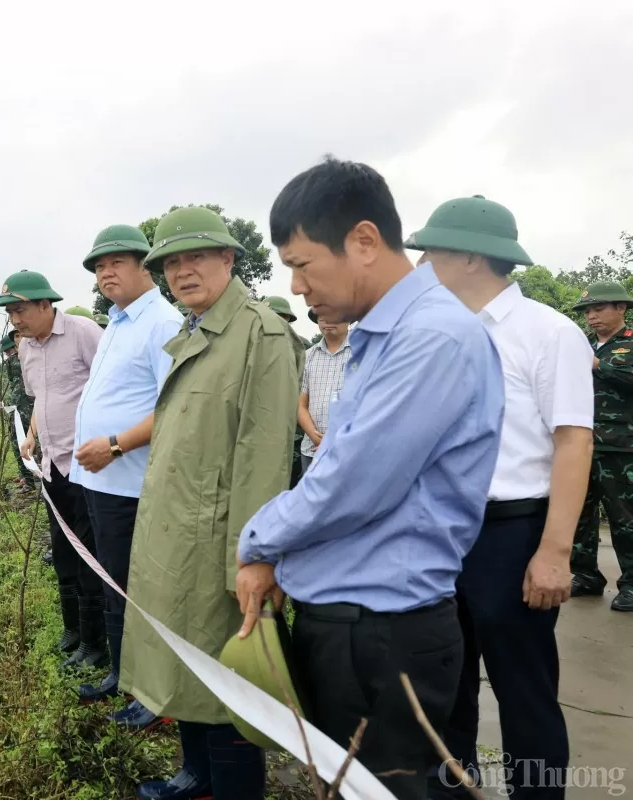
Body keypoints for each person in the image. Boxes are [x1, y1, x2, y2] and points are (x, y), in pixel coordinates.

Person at [236, 158, 504, 800]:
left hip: (382, 638)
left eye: (302, 264)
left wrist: (259, 540)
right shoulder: (384, 336)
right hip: (357, 626)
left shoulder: (431, 339)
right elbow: (336, 464)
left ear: (362, 240)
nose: (297, 287)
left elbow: (352, 484)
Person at [410, 195, 592, 799]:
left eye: (430, 251)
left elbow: (572, 442)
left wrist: (554, 552)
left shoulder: (547, 332)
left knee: (524, 693)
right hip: (441, 532)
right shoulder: (439, 333)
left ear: (469, 256)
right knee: (445, 684)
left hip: (511, 533)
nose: (420, 264)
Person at [120, 207, 298, 800]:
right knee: (187, 669)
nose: (183, 271)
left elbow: (264, 456)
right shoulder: (195, 330)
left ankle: (231, 789)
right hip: (176, 541)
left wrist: (250, 560)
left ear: (229, 258)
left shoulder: (260, 333)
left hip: (220, 547)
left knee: (225, 688)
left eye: (196, 256)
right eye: (171, 262)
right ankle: (196, 776)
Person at [70, 224, 182, 731]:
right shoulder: (116, 322)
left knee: (136, 590)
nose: (105, 273)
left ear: (145, 265)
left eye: (115, 262)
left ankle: (151, 694)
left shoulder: (162, 322)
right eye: (98, 267)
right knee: (111, 582)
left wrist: (115, 445)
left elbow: (173, 407)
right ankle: (121, 672)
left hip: (129, 485)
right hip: (98, 481)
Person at [0, 270, 107, 668]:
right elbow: (41, 398)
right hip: (51, 464)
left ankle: (95, 645)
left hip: (89, 465)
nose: (16, 321)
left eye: (20, 310)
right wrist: (30, 434)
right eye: (10, 314)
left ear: (46, 304)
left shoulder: (83, 332)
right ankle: (72, 630)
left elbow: (112, 389)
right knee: (62, 553)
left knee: (89, 554)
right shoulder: (26, 348)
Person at [571, 280, 633, 612]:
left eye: (598, 308)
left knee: (625, 518)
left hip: (621, 446)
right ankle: (585, 576)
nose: (591, 316)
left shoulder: (628, 343)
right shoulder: (584, 346)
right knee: (580, 513)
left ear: (620, 308)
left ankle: (632, 584)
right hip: (582, 444)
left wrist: (600, 366)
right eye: (587, 312)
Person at [297, 314, 351, 475]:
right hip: (313, 450)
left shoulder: (363, 354)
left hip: (350, 450)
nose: (327, 320)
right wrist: (317, 439)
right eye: (322, 316)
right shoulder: (307, 356)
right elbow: (300, 405)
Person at [265, 295, 310, 488]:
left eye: (278, 317)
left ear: (288, 319)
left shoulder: (301, 347)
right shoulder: (251, 346)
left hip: (294, 430)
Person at [0, 332, 37, 496]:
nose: (9, 353)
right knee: (17, 442)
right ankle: (26, 477)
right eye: (16, 338)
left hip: (29, 408)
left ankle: (33, 479)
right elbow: (12, 383)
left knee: (30, 443)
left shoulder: (31, 356)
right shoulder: (11, 361)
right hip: (16, 408)